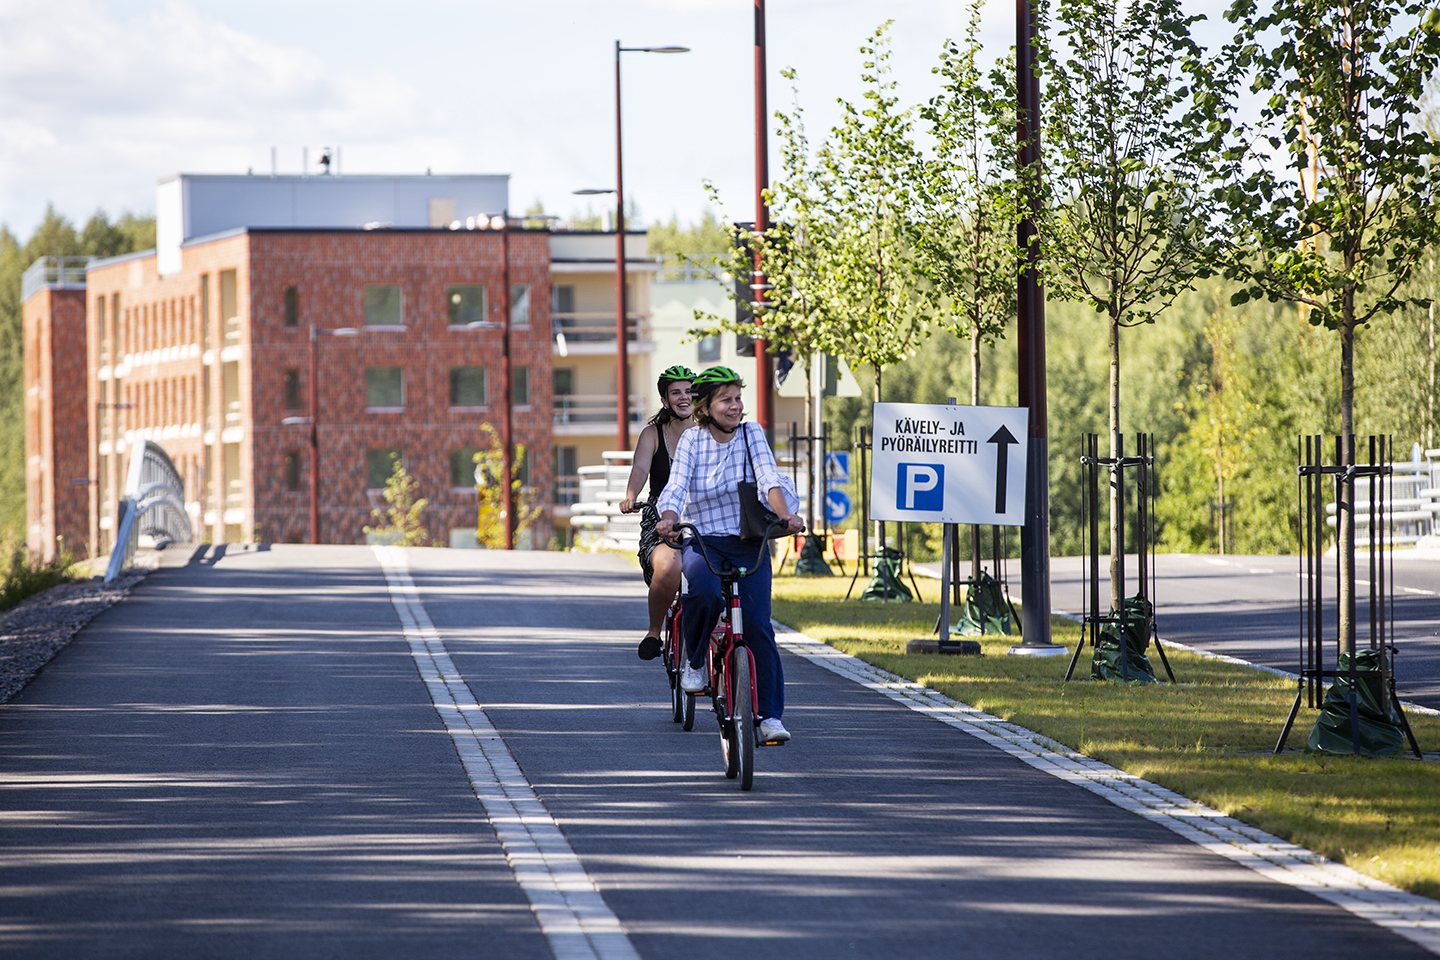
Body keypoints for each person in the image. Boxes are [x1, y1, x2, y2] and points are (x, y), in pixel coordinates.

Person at [654, 365, 804, 743]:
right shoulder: (692, 441)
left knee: (757, 626)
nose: (736, 406)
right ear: (705, 406)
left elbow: (769, 479)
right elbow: (676, 487)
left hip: (748, 541)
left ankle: (769, 717)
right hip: (703, 539)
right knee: (701, 593)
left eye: (738, 398)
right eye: (726, 399)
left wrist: (786, 516)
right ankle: (696, 662)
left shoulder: (752, 434)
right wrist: (669, 519)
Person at [619, 365, 697, 660]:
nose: (683, 397)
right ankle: (655, 632)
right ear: (665, 400)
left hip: (702, 514)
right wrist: (630, 496)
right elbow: (640, 468)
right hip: (661, 517)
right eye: (675, 392)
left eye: (689, 391)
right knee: (669, 565)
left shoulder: (708, 433)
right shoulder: (653, 434)